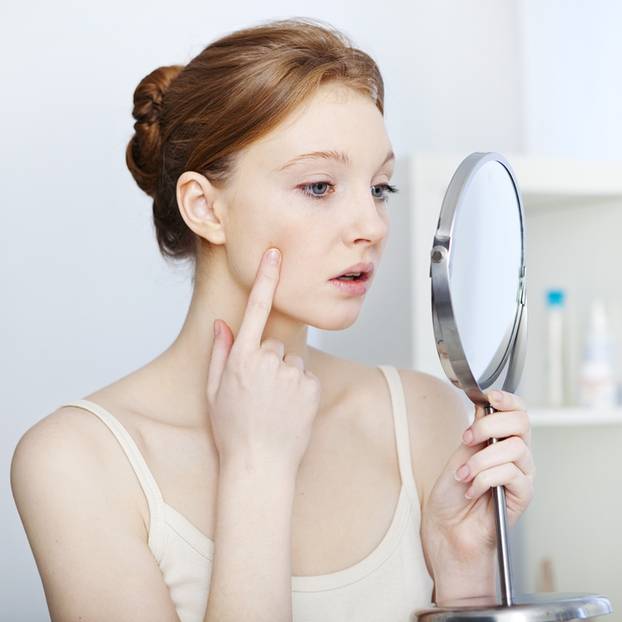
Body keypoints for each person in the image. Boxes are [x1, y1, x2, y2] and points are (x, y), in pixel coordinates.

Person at [10, 16, 535, 622]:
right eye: (319, 186)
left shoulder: (426, 419)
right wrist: (256, 468)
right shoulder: (76, 460)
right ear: (205, 208)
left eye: (379, 188)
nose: (371, 226)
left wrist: (465, 573)